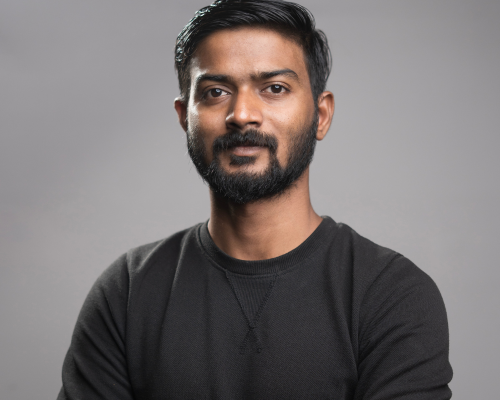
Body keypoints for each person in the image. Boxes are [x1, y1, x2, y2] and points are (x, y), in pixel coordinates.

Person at [57, 0, 453, 398]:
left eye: (275, 88)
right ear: (184, 117)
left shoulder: (391, 293)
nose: (242, 114)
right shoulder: (127, 291)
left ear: (321, 115)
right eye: (215, 92)